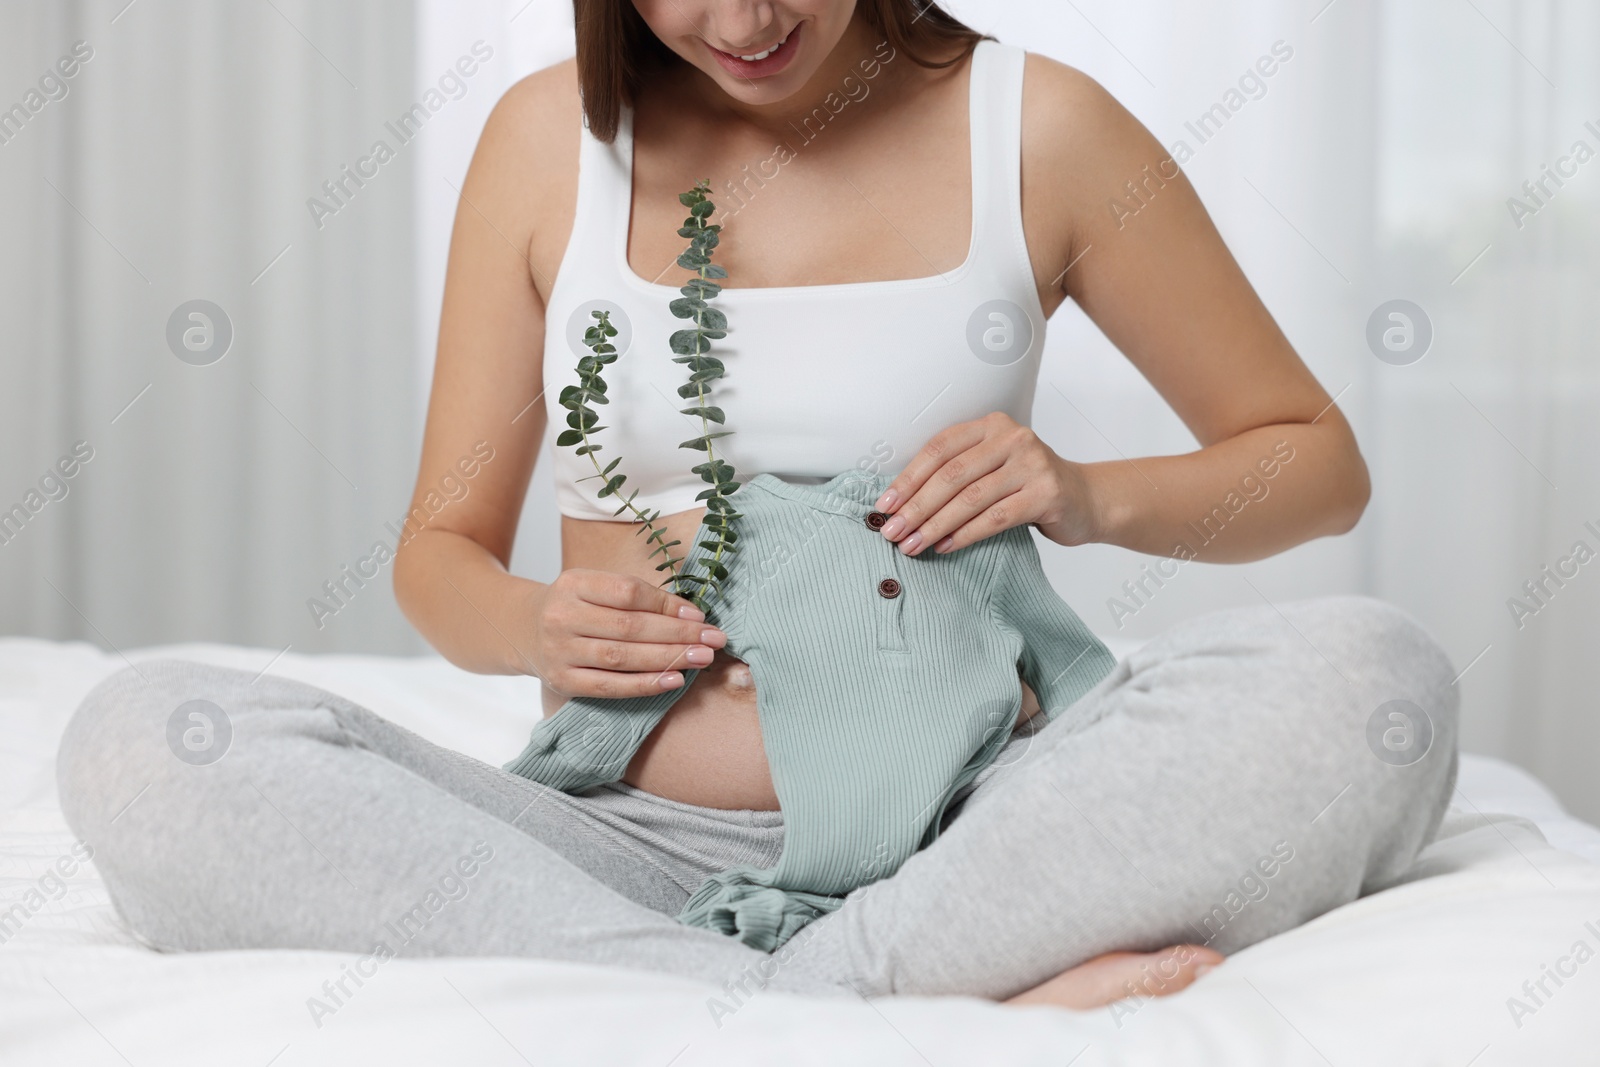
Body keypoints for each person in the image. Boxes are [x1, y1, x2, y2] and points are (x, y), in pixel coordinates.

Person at [56, 0, 1459, 1011]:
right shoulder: (547, 142)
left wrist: (1086, 494)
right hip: (613, 847)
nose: (737, 21)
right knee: (146, 745)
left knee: (1375, 679)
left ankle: (756, 1001)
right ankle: (841, 1003)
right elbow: (437, 557)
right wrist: (536, 623)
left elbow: (1315, 464)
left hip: (976, 830)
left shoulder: (1044, 126)